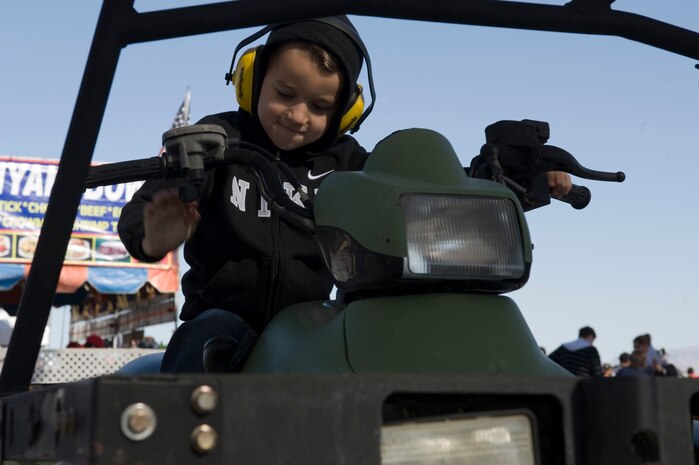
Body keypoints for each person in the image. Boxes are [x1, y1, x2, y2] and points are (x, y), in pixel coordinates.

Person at [119, 16, 573, 373]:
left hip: (312, 325)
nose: (298, 116)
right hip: (223, 320)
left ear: (345, 111)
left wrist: (507, 179)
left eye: (320, 107)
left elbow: (417, 189)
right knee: (211, 333)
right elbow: (143, 221)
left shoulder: (349, 163)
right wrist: (156, 234)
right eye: (284, 94)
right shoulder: (219, 141)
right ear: (252, 79)